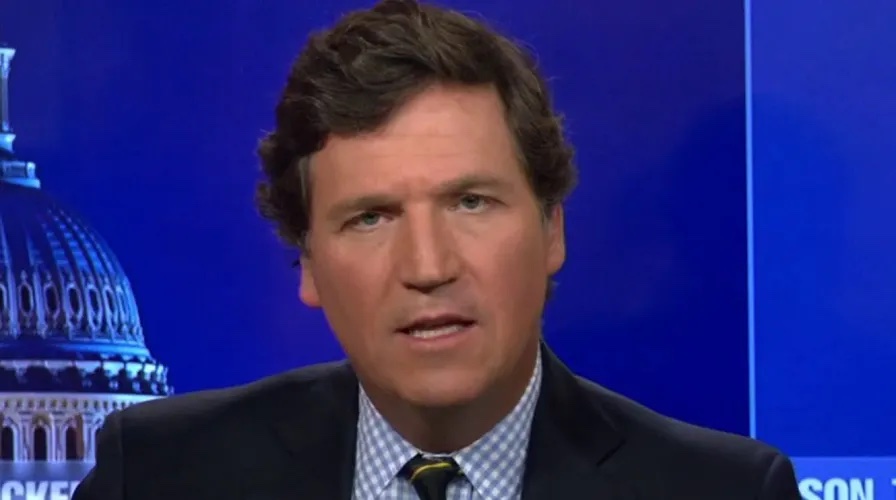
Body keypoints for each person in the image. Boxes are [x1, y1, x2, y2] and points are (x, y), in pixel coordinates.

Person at [73, 0, 801, 499]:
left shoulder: (725, 491)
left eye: (470, 202)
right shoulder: (161, 475)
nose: (428, 267)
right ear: (309, 265)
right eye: (371, 218)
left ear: (552, 229)